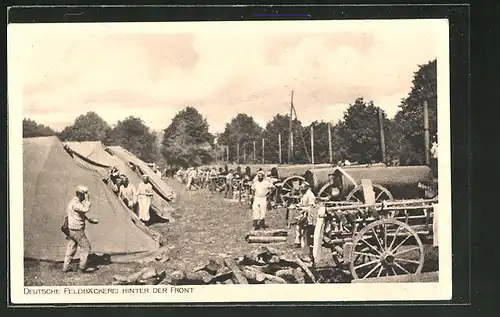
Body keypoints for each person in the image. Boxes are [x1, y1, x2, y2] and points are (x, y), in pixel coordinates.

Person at [63, 185, 99, 273]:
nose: (84, 198)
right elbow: (85, 209)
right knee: (86, 247)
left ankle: (65, 267)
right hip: (77, 230)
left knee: (71, 247)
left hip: (72, 229)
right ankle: (82, 268)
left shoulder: (75, 202)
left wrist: (89, 220)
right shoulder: (75, 203)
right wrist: (87, 200)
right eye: (84, 195)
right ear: (81, 195)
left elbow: (80, 214)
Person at [294, 182, 316, 248]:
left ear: (306, 187)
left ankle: (304, 244)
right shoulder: (304, 194)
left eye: (302, 187)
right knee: (298, 227)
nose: (301, 189)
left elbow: (311, 207)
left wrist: (302, 208)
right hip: (303, 213)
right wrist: (298, 205)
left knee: (305, 229)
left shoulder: (310, 195)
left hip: (308, 214)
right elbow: (302, 203)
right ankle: (298, 242)